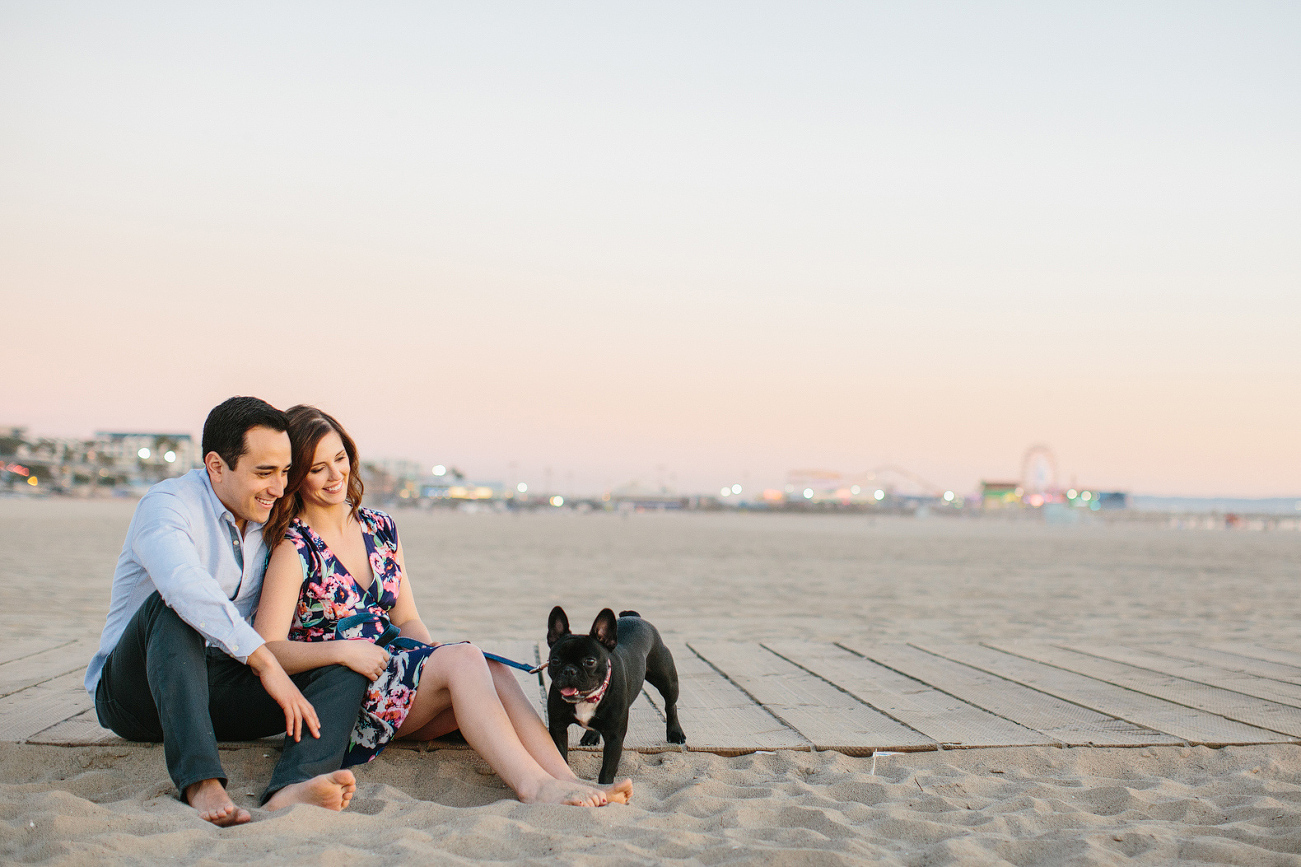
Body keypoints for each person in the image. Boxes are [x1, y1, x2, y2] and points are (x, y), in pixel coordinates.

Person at [254, 405, 633, 807]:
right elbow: (266, 647)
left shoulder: (378, 527)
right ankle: (534, 786)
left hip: (394, 682)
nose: (335, 476)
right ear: (295, 476)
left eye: (340, 459)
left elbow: (407, 618)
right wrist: (345, 651)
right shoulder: (294, 548)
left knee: (489, 666)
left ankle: (569, 779)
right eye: (317, 468)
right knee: (465, 660)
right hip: (344, 700)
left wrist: (433, 663)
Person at [86, 397, 371, 826]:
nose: (278, 488)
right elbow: (184, 584)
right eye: (263, 473)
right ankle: (201, 782)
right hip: (137, 691)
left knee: (342, 662)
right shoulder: (167, 506)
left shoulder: (271, 520)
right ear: (216, 466)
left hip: (218, 687)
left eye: (285, 472)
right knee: (174, 608)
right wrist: (264, 661)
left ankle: (293, 785)